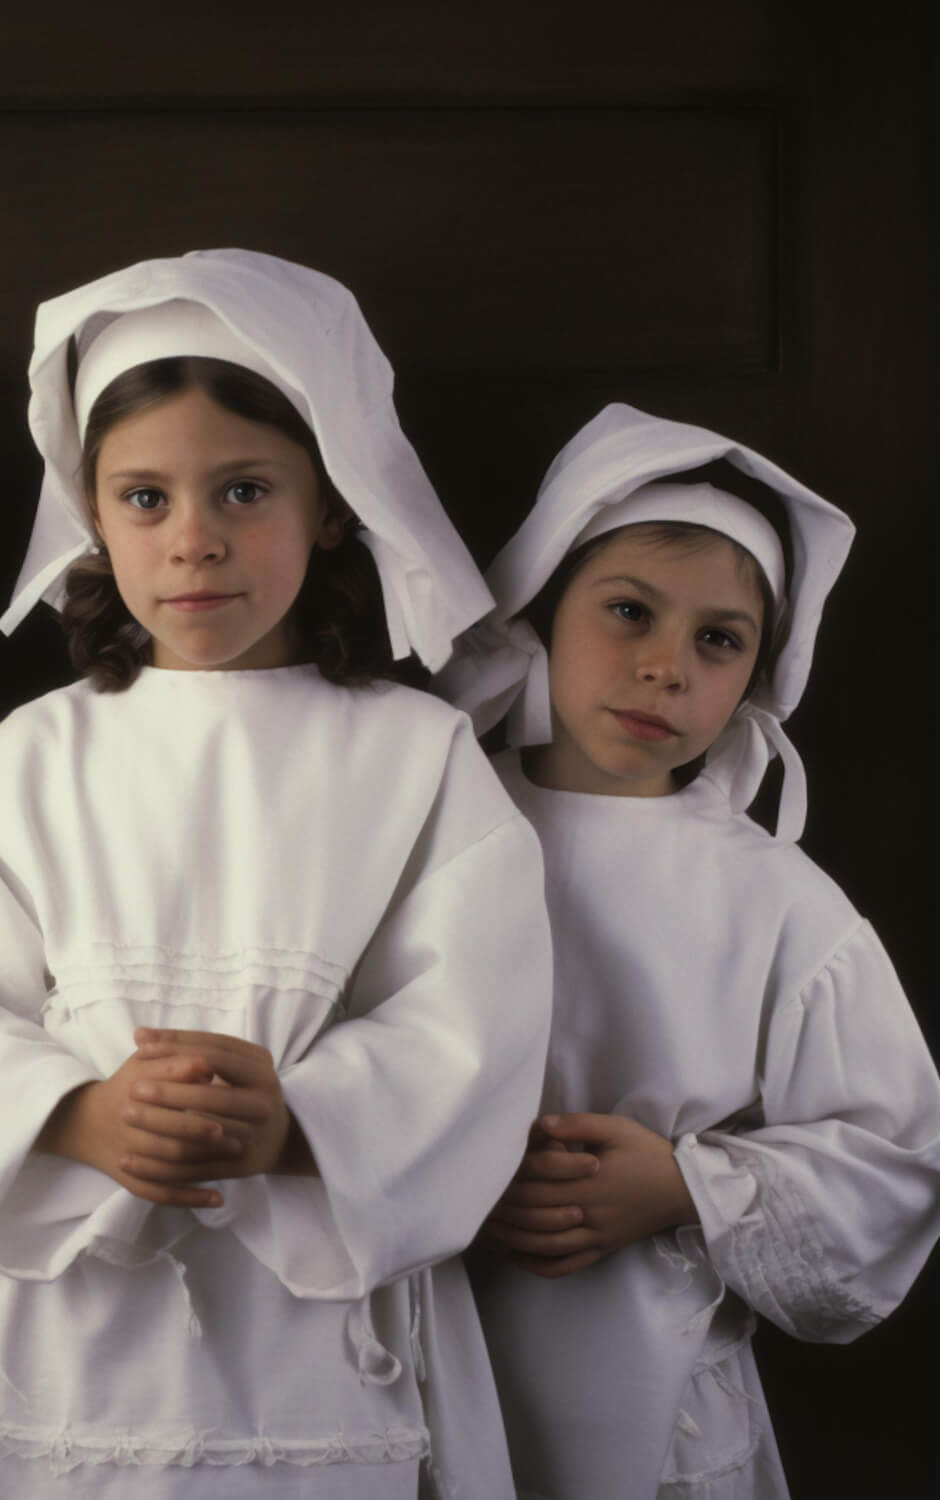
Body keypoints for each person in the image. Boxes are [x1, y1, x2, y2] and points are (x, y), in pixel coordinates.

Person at [0, 248, 553, 1499]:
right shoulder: (37, 755)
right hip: (74, 1318)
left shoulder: (416, 754)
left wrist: (298, 1122)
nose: (193, 544)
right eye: (144, 499)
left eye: (243, 491)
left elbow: (476, 1022)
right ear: (92, 510)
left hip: (330, 1343)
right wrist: (78, 1112)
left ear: (331, 502)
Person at [436, 401, 940, 1499]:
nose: (666, 667)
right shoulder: (432, 828)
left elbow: (898, 1156)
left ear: (756, 672)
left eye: (718, 639)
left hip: (660, 1393)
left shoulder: (771, 895)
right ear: (543, 615)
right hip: (432, 1353)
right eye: (628, 613)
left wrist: (685, 1186)